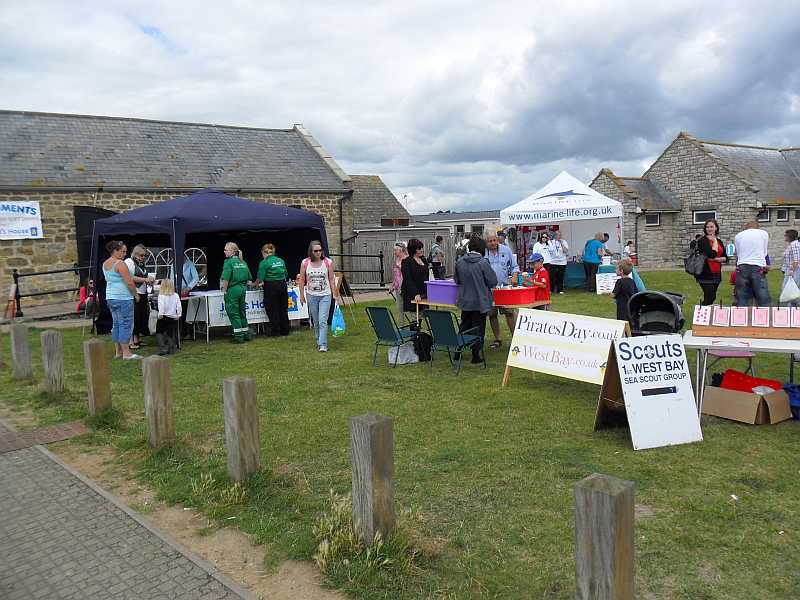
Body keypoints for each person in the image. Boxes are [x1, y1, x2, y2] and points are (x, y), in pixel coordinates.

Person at [454, 236, 497, 364]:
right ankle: (475, 355)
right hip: (480, 301)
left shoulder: (460, 261)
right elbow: (492, 281)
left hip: (465, 300)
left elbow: (457, 280)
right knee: (478, 328)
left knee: (465, 325)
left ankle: (458, 350)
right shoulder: (483, 262)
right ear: (482, 248)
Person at [102, 240, 141, 360]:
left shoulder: (105, 263)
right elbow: (129, 281)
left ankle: (118, 352)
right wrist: (136, 294)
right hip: (123, 298)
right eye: (122, 251)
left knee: (117, 324)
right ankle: (127, 353)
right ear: (115, 251)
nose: (125, 254)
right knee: (126, 324)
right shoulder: (120, 264)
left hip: (110, 297)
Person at [299, 240, 339, 352]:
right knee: (316, 321)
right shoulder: (305, 263)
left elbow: (331, 279)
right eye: (315, 251)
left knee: (322, 320)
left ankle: (323, 344)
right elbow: (302, 280)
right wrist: (301, 295)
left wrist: (335, 294)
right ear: (311, 252)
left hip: (325, 295)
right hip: (311, 295)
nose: (318, 253)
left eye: (320, 250)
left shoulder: (328, 262)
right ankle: (318, 340)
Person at [485, 232, 520, 348]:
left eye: (494, 240)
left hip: (505, 288)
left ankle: (515, 339)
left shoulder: (506, 250)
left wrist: (515, 276)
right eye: (490, 241)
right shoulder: (483, 252)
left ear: (497, 239)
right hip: (489, 290)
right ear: (486, 242)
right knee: (492, 314)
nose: (493, 243)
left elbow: (515, 266)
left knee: (509, 313)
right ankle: (498, 339)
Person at [733, 221, 771, 307]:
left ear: (746, 227)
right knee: (762, 293)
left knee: (742, 294)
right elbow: (764, 252)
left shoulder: (738, 236)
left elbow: (738, 254)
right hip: (758, 265)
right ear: (758, 227)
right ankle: (766, 314)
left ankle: (741, 315)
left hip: (742, 265)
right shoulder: (763, 234)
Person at [255, 243, 290, 337]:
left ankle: (275, 331)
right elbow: (286, 274)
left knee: (272, 308)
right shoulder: (280, 260)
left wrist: (255, 284)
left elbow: (260, 278)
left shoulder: (264, 262)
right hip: (282, 285)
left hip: (271, 286)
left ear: (263, 252)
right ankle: (285, 330)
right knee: (283, 307)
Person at [220, 242, 252, 343]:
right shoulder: (243, 262)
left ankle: (238, 337)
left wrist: (224, 290)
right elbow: (249, 280)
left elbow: (225, 278)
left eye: (226, 250)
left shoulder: (228, 262)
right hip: (242, 289)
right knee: (242, 312)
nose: (224, 251)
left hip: (233, 290)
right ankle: (246, 334)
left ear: (233, 251)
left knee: (234, 313)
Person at [125, 244, 155, 350]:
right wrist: (145, 280)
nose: (143, 257)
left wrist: (149, 280)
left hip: (143, 292)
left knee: (141, 316)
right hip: (134, 293)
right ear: (136, 254)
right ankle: (131, 341)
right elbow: (130, 277)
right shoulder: (129, 262)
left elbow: (143, 277)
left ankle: (137, 339)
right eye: (141, 255)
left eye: (144, 256)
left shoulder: (142, 264)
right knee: (134, 316)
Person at [695, 219, 728, 306]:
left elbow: (726, 257)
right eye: (707, 227)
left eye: (711, 227)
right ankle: (700, 313)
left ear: (716, 228)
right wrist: (715, 242)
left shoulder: (719, 241)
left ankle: (703, 315)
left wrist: (720, 259)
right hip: (705, 273)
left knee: (710, 297)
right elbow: (711, 254)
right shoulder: (702, 240)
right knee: (711, 296)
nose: (709, 229)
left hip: (716, 273)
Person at [401, 238, 429, 324]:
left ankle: (420, 336)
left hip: (424, 293)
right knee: (415, 319)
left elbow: (427, 276)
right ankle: (415, 336)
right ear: (413, 250)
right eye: (419, 248)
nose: (421, 250)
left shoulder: (424, 260)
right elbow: (408, 279)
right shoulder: (406, 262)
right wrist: (415, 293)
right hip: (412, 294)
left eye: (421, 248)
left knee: (422, 316)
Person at [156, 278, 182, 355]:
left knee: (159, 332)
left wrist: (160, 314)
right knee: (170, 332)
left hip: (164, 316)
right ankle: (172, 348)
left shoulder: (161, 295)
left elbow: (161, 306)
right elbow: (179, 306)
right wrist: (179, 314)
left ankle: (163, 348)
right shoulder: (176, 295)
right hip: (173, 317)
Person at [610, 258, 637, 324]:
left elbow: (614, 294)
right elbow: (635, 293)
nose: (615, 270)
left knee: (622, 322)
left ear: (621, 271)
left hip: (622, 306)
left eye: (616, 269)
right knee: (629, 321)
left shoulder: (619, 282)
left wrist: (609, 293)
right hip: (631, 305)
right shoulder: (632, 281)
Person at [390, 241, 408, 322]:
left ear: (400, 250)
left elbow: (406, 274)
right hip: (398, 287)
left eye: (395, 250)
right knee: (399, 307)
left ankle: (415, 325)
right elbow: (396, 275)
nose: (394, 252)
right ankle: (402, 326)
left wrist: (400, 266)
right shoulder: (397, 260)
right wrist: (392, 286)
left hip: (405, 287)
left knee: (409, 307)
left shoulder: (406, 259)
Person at [781, 229, 800, 307]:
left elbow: (797, 260)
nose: (784, 236)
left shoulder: (794, 245)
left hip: (793, 271)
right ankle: (792, 309)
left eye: (785, 235)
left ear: (789, 236)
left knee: (789, 291)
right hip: (790, 271)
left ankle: (796, 305)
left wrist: (792, 271)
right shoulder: (792, 244)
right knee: (790, 291)